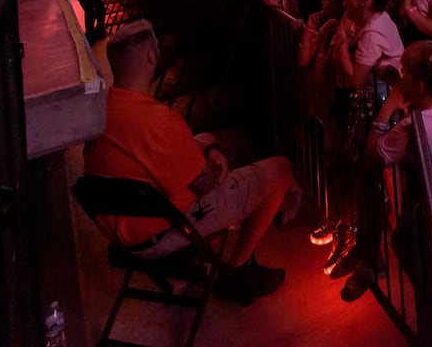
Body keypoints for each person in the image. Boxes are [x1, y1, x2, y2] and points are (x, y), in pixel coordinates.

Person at [83, 20, 298, 305]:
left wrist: (209, 146)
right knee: (280, 170)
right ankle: (238, 273)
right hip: (162, 231)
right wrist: (217, 167)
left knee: (204, 136)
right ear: (151, 57)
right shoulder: (159, 121)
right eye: (156, 48)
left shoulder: (101, 113)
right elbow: (206, 183)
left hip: (123, 232)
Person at [360, 38, 432, 299]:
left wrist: (388, 107)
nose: (400, 77)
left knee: (417, 257)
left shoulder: (410, 129)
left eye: (404, 72)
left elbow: (372, 154)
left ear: (419, 85)